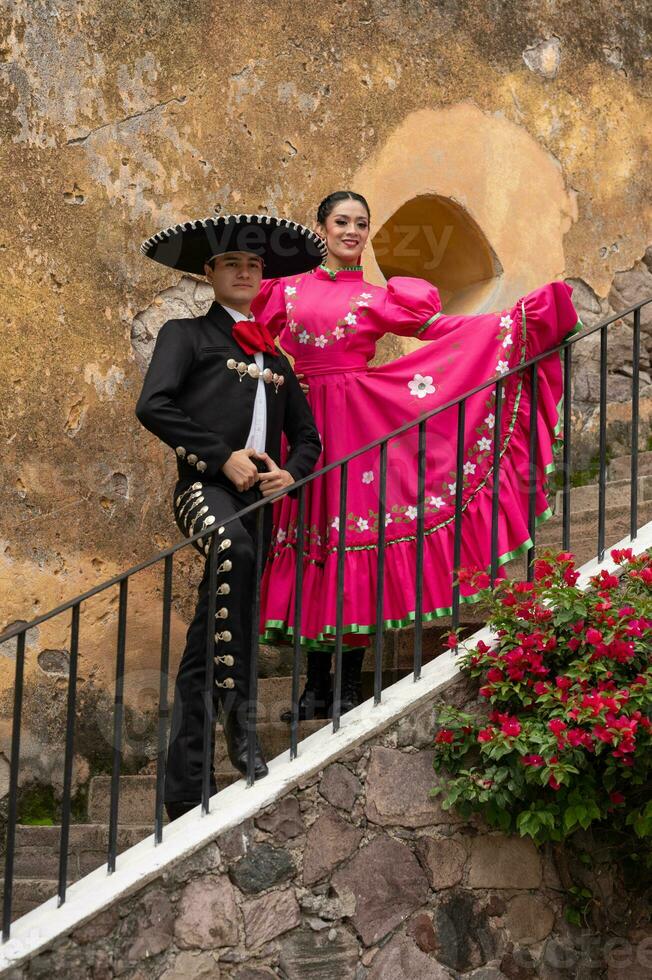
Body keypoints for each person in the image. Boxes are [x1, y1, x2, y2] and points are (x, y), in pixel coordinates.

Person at [251, 191, 580, 720]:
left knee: (353, 542)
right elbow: (247, 341)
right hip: (304, 427)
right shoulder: (284, 292)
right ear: (322, 228)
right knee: (314, 547)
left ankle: (347, 688)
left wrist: (517, 322)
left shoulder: (381, 297)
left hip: (360, 428)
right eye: (341, 222)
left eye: (361, 223)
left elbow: (442, 330)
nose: (352, 232)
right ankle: (314, 688)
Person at [136, 213, 324, 820]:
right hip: (204, 490)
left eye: (253, 267)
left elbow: (309, 438)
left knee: (221, 626)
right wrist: (223, 459)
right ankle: (240, 734)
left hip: (260, 502)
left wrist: (290, 473)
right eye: (232, 265)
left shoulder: (277, 355)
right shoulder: (184, 334)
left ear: (262, 278)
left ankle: (184, 786)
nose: (244, 274)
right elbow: (153, 404)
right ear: (210, 273)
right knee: (235, 553)